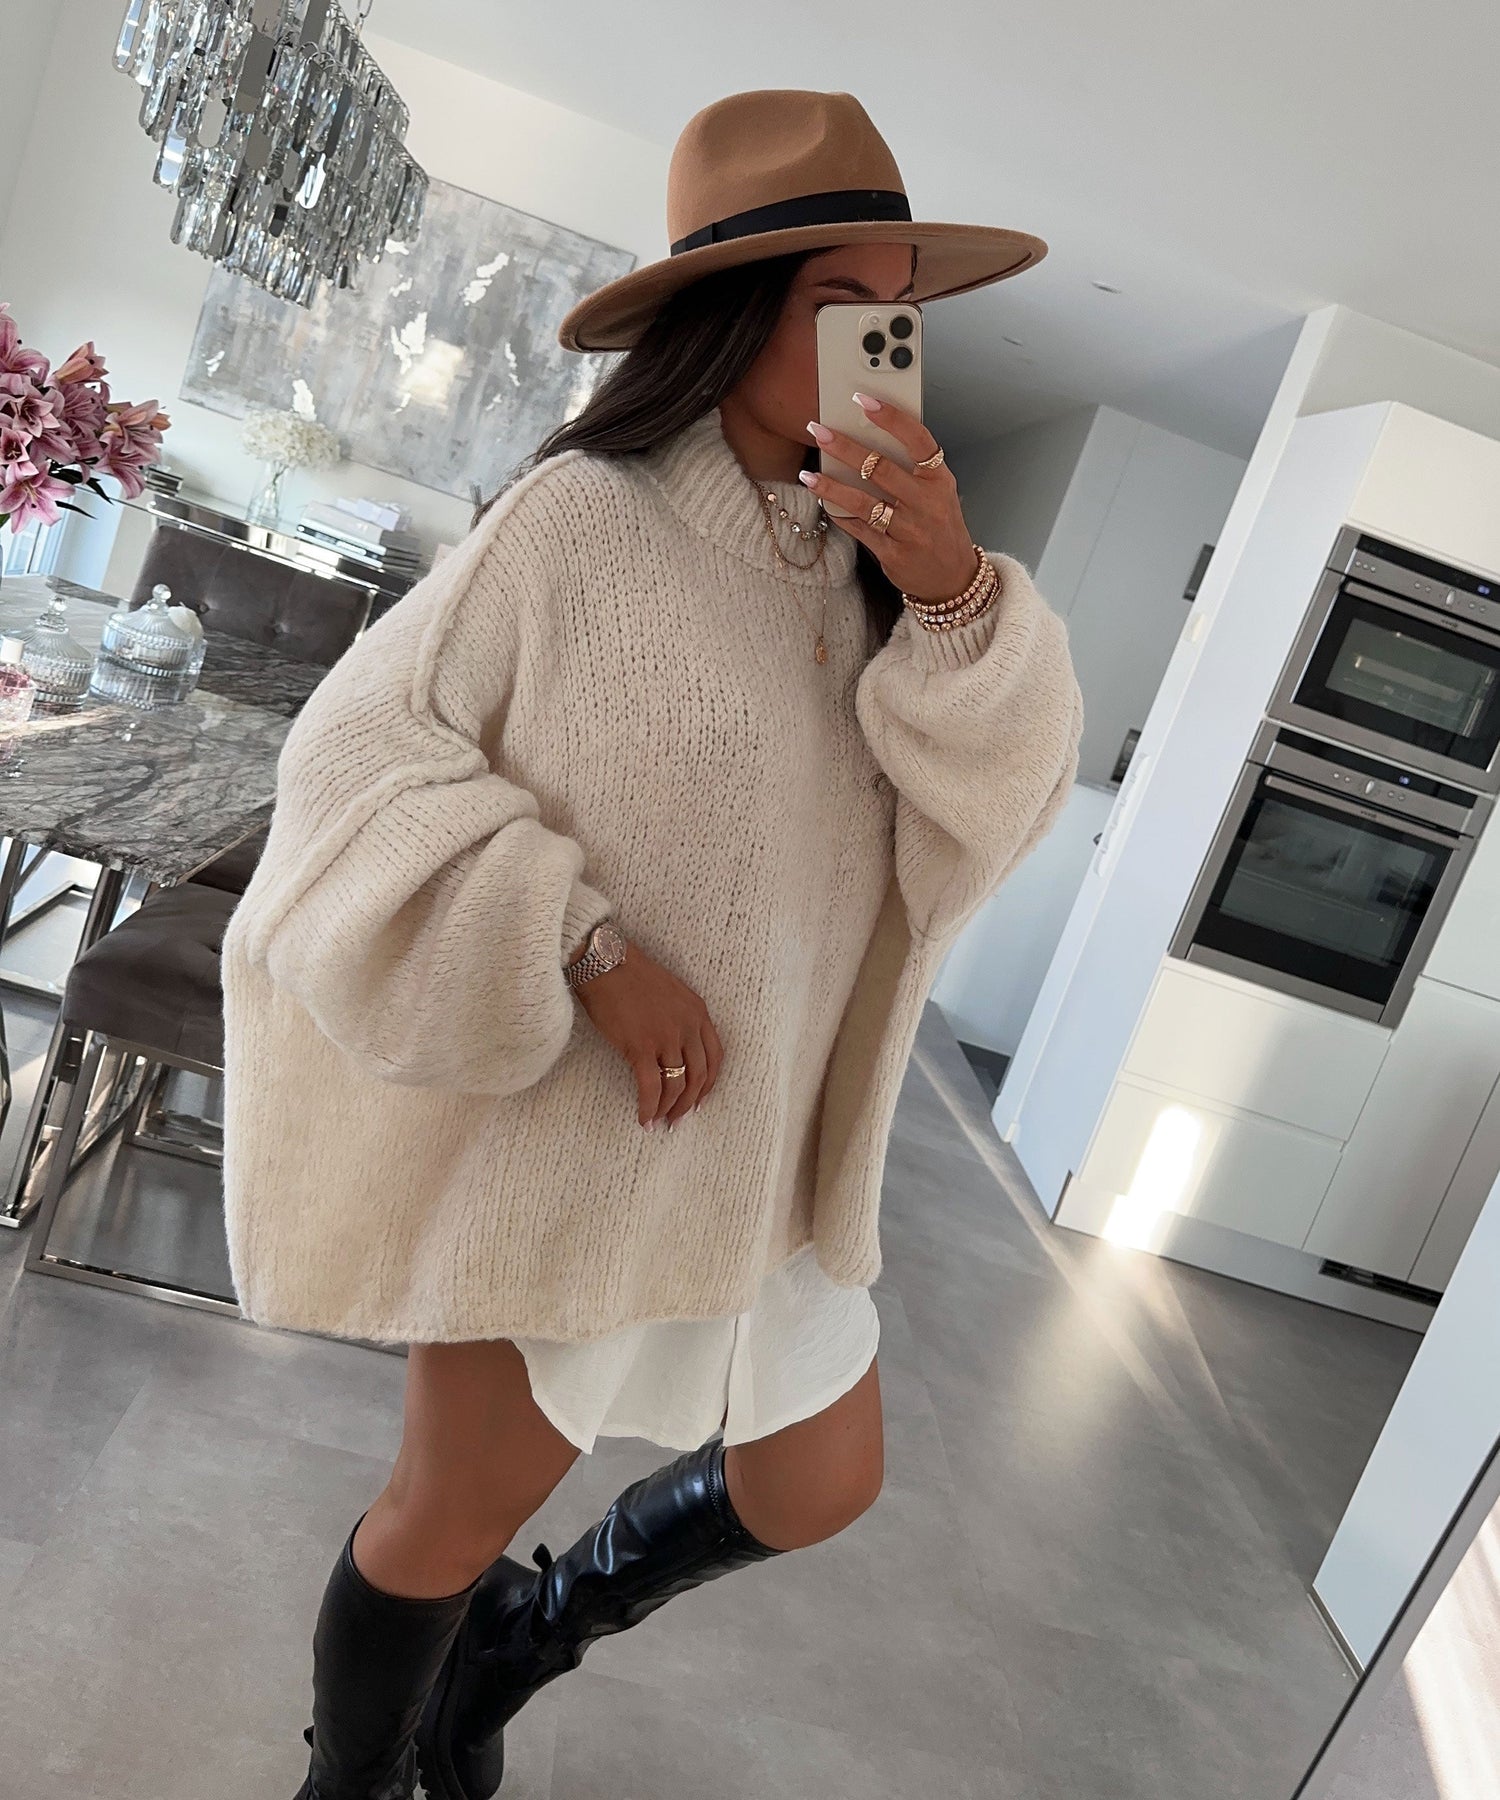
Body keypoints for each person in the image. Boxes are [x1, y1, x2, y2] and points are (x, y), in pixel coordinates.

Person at [219, 87, 1084, 1800]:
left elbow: (994, 807)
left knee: (816, 1481)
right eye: (841, 304)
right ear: (731, 309)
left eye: (898, 310)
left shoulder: (886, 571)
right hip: (588, 1136)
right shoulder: (580, 523)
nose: (883, 344)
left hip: (773, 1155)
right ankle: (351, 1781)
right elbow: (355, 759)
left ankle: (502, 1663)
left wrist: (958, 595)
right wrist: (586, 943)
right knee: (448, 1515)